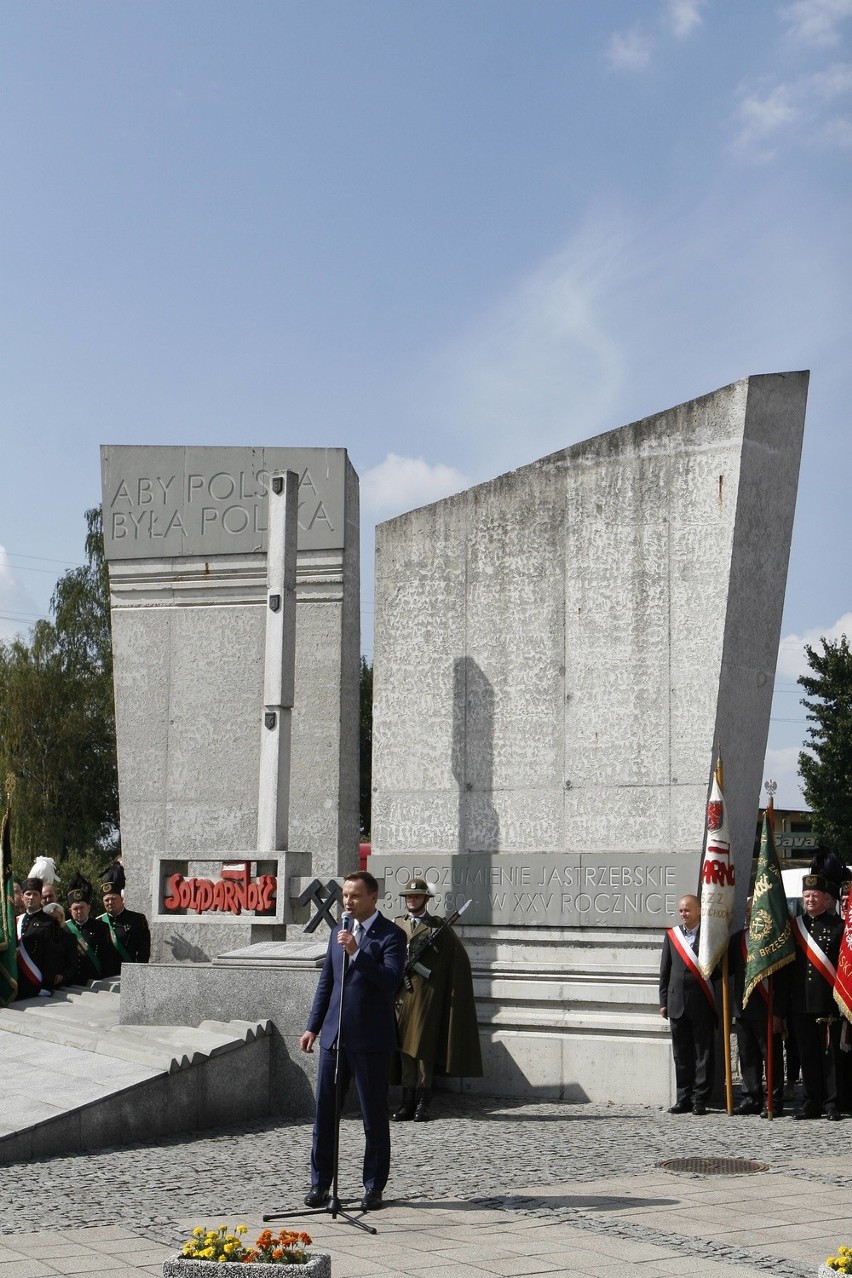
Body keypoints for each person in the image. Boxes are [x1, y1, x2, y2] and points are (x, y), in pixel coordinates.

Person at [299, 870, 406, 1212]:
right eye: (345, 895)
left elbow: (391, 981)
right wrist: (313, 1026)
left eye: (355, 896)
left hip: (371, 1040)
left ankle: (373, 1187)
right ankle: (320, 1184)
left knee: (373, 1116)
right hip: (334, 1037)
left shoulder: (391, 936)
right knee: (325, 1115)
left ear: (374, 898)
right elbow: (326, 984)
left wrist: (359, 953)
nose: (348, 901)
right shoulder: (336, 932)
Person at [391, 878, 482, 1122]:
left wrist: (443, 983)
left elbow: (458, 959)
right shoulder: (396, 924)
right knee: (403, 1049)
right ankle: (406, 1100)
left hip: (425, 993)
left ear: (426, 900)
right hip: (401, 993)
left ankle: (423, 1100)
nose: (412, 900)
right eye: (409, 897)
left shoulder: (437, 927)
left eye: (417, 897)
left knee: (421, 1048)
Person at [787, 852, 845, 1121]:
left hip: (827, 1001)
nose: (810, 899)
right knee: (808, 1055)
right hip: (800, 1003)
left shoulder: (839, 927)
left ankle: (831, 1103)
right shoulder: (793, 927)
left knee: (830, 1057)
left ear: (825, 899)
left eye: (815, 895)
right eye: (806, 895)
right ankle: (811, 1102)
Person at [659, 893, 717, 1115]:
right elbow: (664, 971)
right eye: (681, 910)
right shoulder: (673, 936)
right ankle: (683, 1097)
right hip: (676, 1004)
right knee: (681, 1054)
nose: (684, 914)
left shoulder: (710, 936)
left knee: (703, 1053)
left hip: (702, 1002)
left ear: (699, 911)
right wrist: (663, 1001)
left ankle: (700, 1098)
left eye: (688, 910)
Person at [730, 898, 786, 1117]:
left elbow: (782, 983)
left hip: (766, 1008)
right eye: (746, 910)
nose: (749, 914)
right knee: (747, 1056)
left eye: (754, 910)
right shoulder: (737, 940)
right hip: (743, 1007)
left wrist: (779, 1013)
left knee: (770, 1056)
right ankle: (750, 1097)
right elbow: (725, 971)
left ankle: (773, 1099)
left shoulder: (774, 940)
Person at [16, 877, 76, 998]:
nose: (31, 897)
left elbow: (54, 957)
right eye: (28, 894)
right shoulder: (16, 920)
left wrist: (46, 987)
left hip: (36, 985)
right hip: (17, 983)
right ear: (22, 897)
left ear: (40, 897)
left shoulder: (53, 924)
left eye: (35, 894)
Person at [65, 876, 115, 984]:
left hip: (95, 980)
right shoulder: (64, 929)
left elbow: (107, 957)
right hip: (69, 982)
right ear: (70, 910)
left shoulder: (101, 927)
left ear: (88, 907)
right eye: (75, 909)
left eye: (82, 907)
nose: (79, 911)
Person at [98, 881, 151, 967]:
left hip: (129, 972)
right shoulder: (98, 922)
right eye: (107, 900)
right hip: (105, 975)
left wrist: (138, 971)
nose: (110, 902)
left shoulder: (137, 919)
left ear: (122, 899)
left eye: (113, 899)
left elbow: (144, 951)